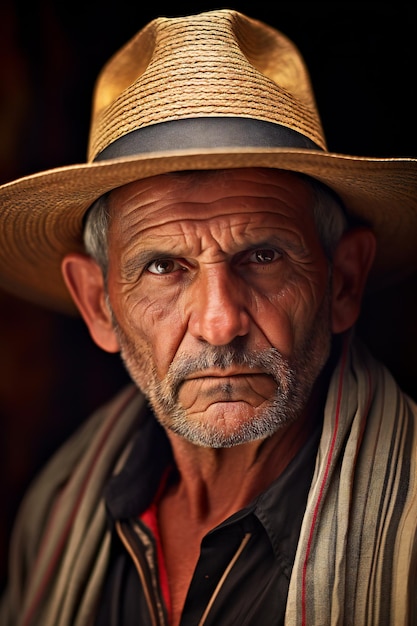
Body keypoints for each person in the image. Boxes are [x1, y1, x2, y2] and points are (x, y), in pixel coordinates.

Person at [0, 8, 416, 626]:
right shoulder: (59, 505)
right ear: (98, 304)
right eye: (164, 267)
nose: (221, 324)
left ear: (343, 282)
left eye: (264, 256)